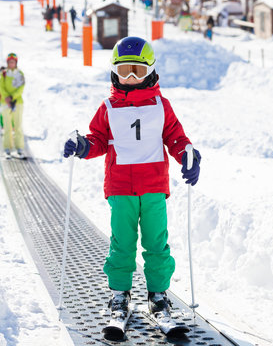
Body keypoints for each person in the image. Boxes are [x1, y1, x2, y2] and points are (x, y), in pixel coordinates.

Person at [62, 37, 201, 322]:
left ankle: (158, 295)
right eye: (124, 71)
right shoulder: (109, 107)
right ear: (114, 71)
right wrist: (83, 146)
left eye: (137, 71)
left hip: (153, 187)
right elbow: (98, 139)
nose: (131, 78)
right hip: (121, 187)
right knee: (122, 243)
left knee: (156, 242)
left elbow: (175, 137)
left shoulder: (162, 106)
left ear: (150, 70)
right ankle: (119, 294)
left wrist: (188, 154)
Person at [0, 53, 26, 159]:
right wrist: (6, 97)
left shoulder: (20, 73)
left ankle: (19, 148)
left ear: (16, 63)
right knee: (7, 126)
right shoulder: (4, 74)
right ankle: (7, 148)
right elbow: (1, 87)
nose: (11, 64)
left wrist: (13, 97)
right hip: (5, 103)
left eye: (13, 62)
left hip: (17, 102)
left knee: (18, 126)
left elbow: (21, 87)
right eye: (9, 62)